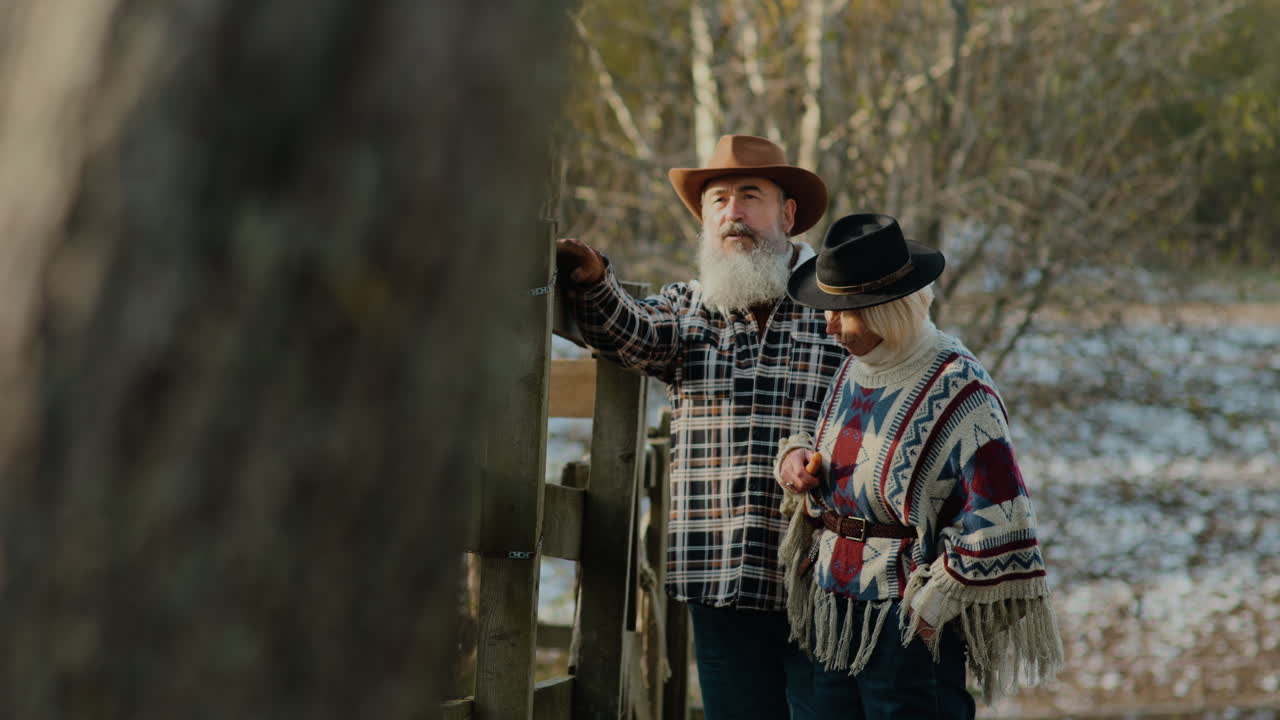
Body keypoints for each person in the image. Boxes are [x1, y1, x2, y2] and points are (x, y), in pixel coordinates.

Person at [556, 135, 850, 719]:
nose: (732, 213)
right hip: (717, 572)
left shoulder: (839, 308)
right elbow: (630, 330)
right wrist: (592, 279)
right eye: (717, 200)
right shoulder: (689, 310)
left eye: (750, 195)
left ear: (787, 214)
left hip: (821, 575)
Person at [774, 213, 1064, 718]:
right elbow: (847, 460)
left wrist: (932, 605)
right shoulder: (853, 368)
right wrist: (799, 461)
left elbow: (1001, 517)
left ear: (886, 309)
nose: (828, 324)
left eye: (843, 312)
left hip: (904, 625)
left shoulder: (960, 385)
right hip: (830, 611)